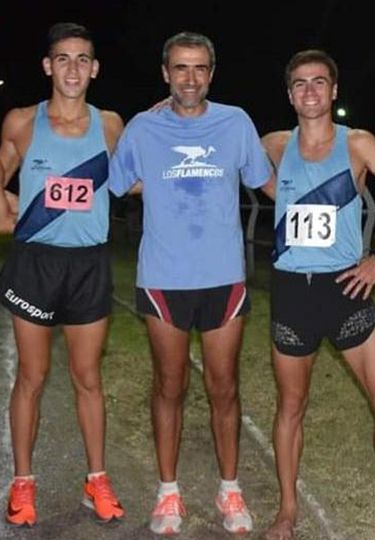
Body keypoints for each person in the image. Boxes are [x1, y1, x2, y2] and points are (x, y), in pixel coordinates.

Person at [109, 31, 274, 535]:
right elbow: (117, 184)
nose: (190, 78)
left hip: (224, 278)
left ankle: (229, 489)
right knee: (169, 387)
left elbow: (265, 180)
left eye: (200, 68)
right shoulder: (142, 127)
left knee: (224, 388)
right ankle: (168, 493)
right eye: (180, 68)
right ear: (165, 73)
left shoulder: (236, 122)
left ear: (211, 73)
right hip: (163, 278)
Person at [261, 49, 375, 540]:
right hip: (292, 296)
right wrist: (166, 112)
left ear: (334, 90)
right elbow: (214, 141)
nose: (309, 91)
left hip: (347, 291)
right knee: (290, 408)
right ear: (289, 93)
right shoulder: (275, 145)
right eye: (300, 83)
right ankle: (287, 510)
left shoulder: (360, 144)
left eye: (319, 82)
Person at [0, 22, 125, 527]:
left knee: (88, 378)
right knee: (32, 377)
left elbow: (134, 175)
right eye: (63, 58)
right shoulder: (22, 122)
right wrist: (11, 217)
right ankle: (23, 484)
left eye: (82, 59)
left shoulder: (112, 125)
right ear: (48, 66)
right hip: (36, 263)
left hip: (89, 265)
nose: (72, 68)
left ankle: (96, 478)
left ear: (94, 69)